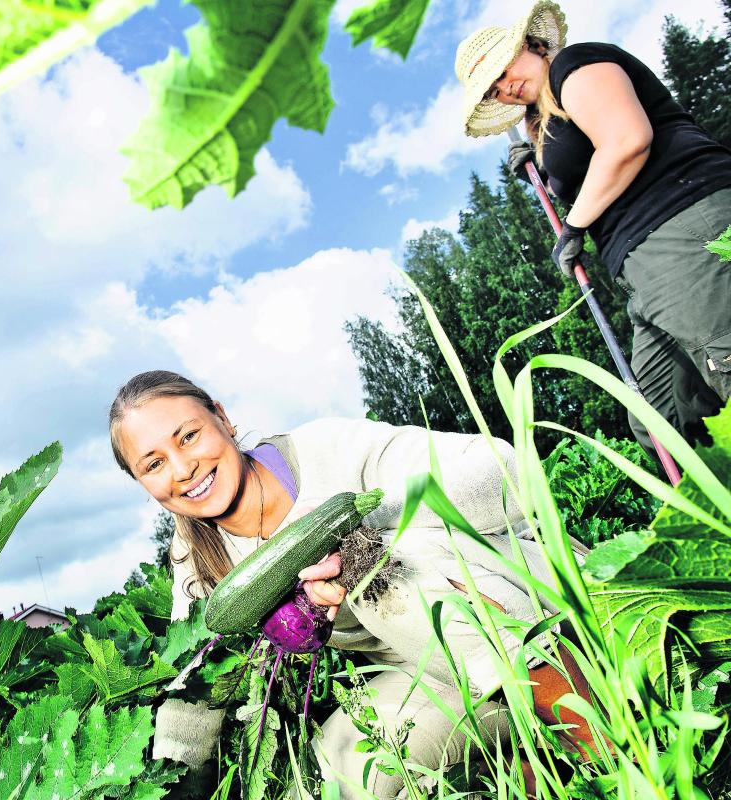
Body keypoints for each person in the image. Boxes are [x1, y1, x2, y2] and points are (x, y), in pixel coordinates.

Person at [108, 370, 593, 800]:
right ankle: (531, 769)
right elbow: (198, 679)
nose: (182, 468)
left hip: (539, 620)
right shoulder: (194, 557)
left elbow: (505, 474)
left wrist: (361, 536)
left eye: (188, 436)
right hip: (440, 674)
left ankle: (603, 738)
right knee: (341, 772)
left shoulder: (328, 450)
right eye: (153, 464)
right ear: (141, 482)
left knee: (380, 575)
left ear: (223, 418)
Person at [455, 0, 731, 449]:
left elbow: (626, 140)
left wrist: (574, 226)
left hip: (682, 221)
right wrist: (541, 171)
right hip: (641, 267)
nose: (505, 88)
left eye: (502, 71)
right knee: (660, 427)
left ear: (530, 45)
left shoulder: (573, 65)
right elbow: (584, 170)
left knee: (726, 356)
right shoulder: (540, 118)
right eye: (492, 90)